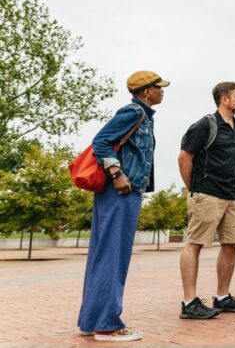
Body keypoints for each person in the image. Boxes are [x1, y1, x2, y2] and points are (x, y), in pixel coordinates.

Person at [78, 70, 169, 342]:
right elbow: (101, 141)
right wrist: (117, 174)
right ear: (145, 92)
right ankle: (107, 325)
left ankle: (91, 321)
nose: (162, 91)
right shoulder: (133, 113)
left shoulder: (143, 116)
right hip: (121, 191)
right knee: (113, 257)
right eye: (158, 87)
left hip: (120, 192)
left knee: (104, 255)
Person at [178, 82, 235, 320]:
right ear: (224, 99)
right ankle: (189, 302)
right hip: (207, 194)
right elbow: (184, 158)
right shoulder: (205, 125)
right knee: (195, 244)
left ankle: (222, 297)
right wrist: (195, 189)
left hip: (232, 195)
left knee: (231, 244)